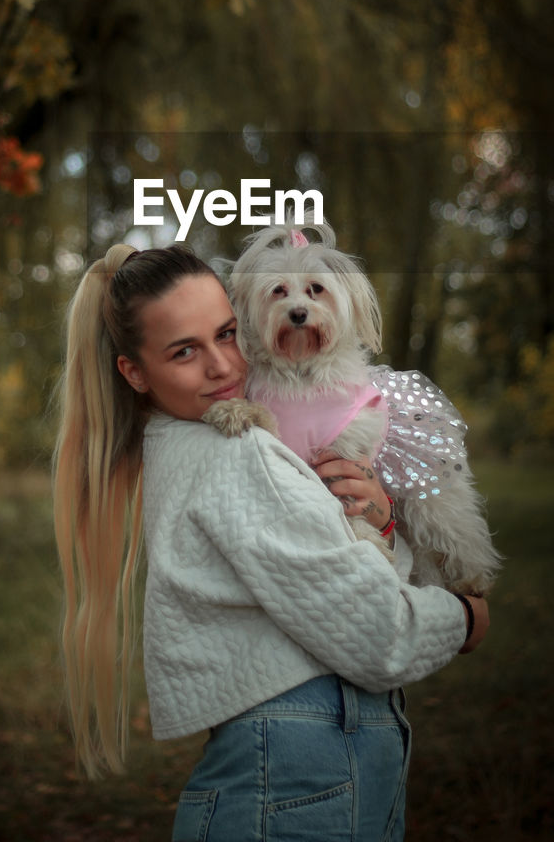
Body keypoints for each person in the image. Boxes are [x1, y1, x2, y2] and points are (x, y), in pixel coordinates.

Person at [53, 243, 489, 841]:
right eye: (185, 351)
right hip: (298, 783)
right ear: (134, 371)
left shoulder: (182, 445)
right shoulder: (242, 453)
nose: (224, 368)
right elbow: (380, 634)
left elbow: (332, 574)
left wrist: (384, 524)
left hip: (296, 776)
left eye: (227, 334)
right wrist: (466, 616)